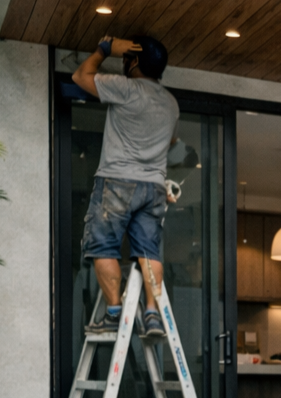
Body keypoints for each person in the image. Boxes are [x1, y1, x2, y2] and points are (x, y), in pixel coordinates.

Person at [72, 34, 179, 337]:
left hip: (117, 180)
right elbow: (171, 140)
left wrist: (104, 48)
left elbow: (81, 75)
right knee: (149, 253)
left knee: (103, 245)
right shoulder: (171, 103)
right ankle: (152, 315)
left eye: (126, 60)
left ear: (133, 63)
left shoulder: (127, 88)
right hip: (154, 186)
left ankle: (114, 314)